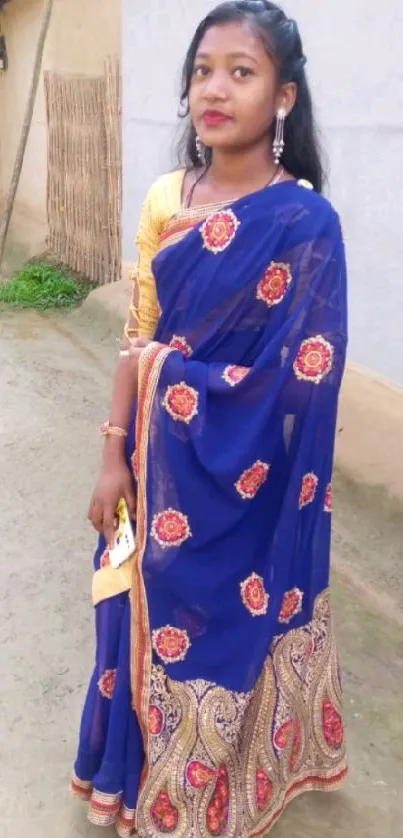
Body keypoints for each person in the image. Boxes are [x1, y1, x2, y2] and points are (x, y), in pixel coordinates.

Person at [71, 2, 348, 836]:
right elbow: (137, 337)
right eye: (201, 70)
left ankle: (212, 791)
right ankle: (134, 783)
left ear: (284, 97)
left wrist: (191, 394)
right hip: (153, 465)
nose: (214, 89)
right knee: (133, 610)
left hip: (247, 477)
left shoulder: (303, 223)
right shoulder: (169, 199)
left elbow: (303, 382)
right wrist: (114, 454)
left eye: (241, 70)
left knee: (228, 623)